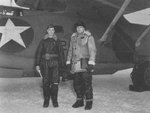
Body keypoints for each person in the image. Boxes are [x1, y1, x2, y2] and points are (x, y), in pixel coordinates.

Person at [66, 21, 97, 110]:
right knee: (76, 84)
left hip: (85, 63)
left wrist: (91, 62)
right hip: (75, 64)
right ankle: (79, 101)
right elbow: (70, 50)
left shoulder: (89, 37)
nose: (79, 29)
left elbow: (92, 50)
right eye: (77, 27)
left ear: (84, 28)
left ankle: (89, 102)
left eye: (81, 27)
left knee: (87, 84)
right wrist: (68, 61)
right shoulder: (73, 37)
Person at [35, 24, 66, 108]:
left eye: (52, 30)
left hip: (55, 64)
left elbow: (61, 54)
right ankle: (46, 100)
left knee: (55, 83)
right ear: (47, 31)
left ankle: (55, 100)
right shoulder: (43, 41)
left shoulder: (57, 41)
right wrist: (37, 64)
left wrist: (63, 66)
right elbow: (39, 53)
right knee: (45, 83)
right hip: (45, 64)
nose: (51, 31)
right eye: (49, 30)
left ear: (54, 31)